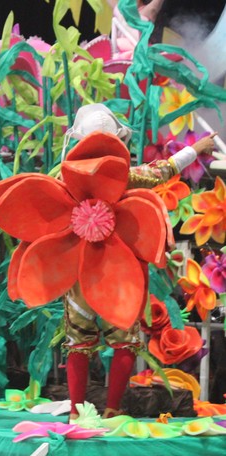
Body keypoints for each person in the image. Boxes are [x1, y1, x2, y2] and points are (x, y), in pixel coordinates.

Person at [59, 103, 215, 420]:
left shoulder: (66, 178)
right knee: (124, 341)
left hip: (81, 273)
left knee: (78, 341)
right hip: (120, 273)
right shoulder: (125, 176)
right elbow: (165, 169)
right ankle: (112, 409)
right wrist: (196, 148)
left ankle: (77, 413)